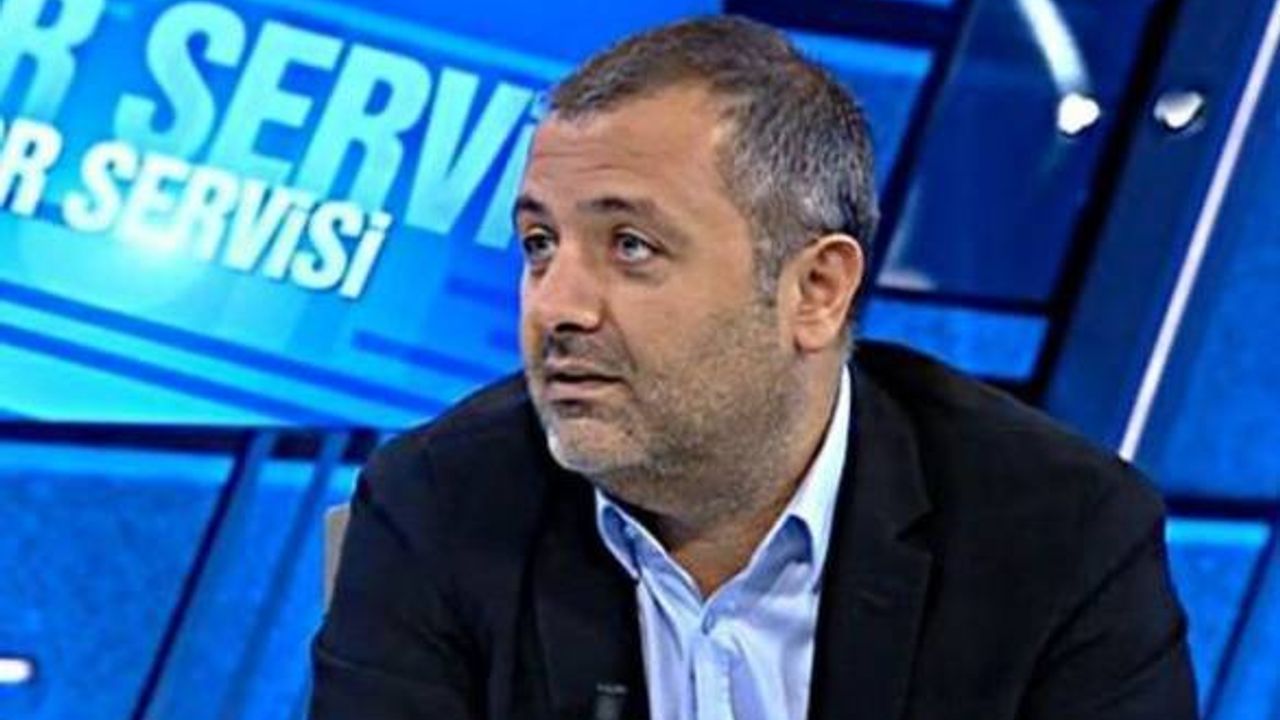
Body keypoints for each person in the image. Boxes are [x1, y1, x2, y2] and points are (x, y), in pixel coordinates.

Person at [311, 15, 1197, 720]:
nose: (557, 306)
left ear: (816, 289)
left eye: (631, 245)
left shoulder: (1059, 535)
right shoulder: (438, 508)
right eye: (541, 243)